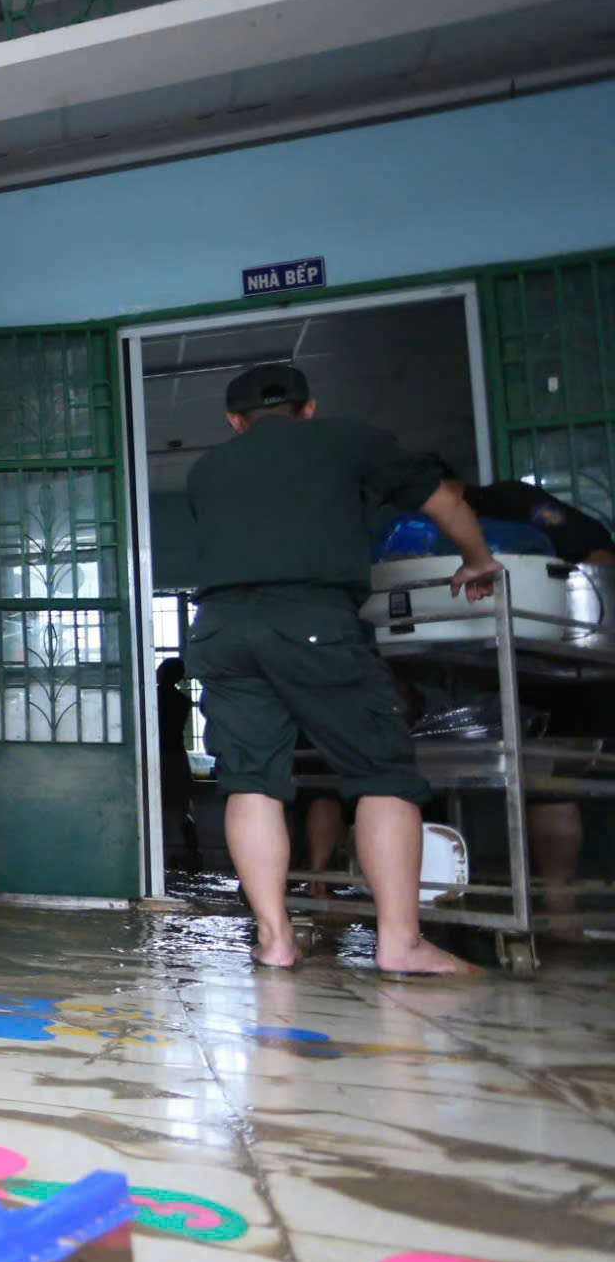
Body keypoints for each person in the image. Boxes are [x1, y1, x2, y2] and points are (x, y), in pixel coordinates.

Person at [183, 362, 498, 975]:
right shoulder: (350, 439)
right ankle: (401, 942)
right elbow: (447, 499)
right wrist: (476, 560)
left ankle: (274, 940)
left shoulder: (206, 468)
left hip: (220, 628)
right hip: (311, 619)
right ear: (308, 407)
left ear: (233, 421)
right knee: (381, 771)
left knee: (250, 779)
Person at [466, 479, 615, 931]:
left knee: (554, 776)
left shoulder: (505, 503)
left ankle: (559, 901)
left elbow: (597, 556)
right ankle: (559, 902)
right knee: (551, 778)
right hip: (540, 662)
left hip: (570, 655)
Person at [154, 656, 201, 871]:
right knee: (182, 810)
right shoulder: (182, 701)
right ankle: (194, 855)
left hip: (157, 755)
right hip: (177, 756)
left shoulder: (151, 699)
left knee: (152, 807)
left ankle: (154, 858)